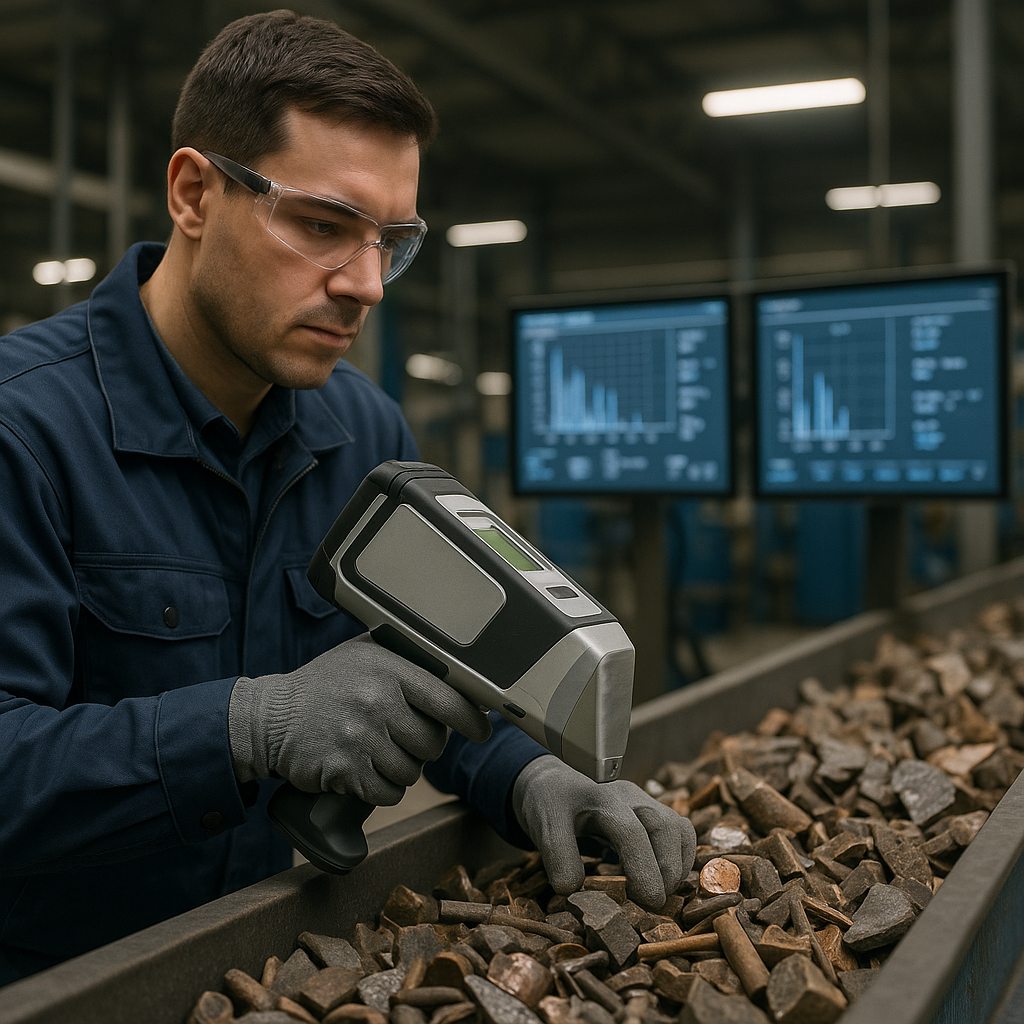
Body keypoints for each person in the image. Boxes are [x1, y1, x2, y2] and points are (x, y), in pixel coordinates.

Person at [0, 10, 695, 985]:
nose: (366, 283)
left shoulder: (363, 436)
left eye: (390, 240)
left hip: (261, 968)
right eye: (323, 226)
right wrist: (247, 725)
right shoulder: (23, 433)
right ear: (194, 192)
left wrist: (525, 772)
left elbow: (430, 674)